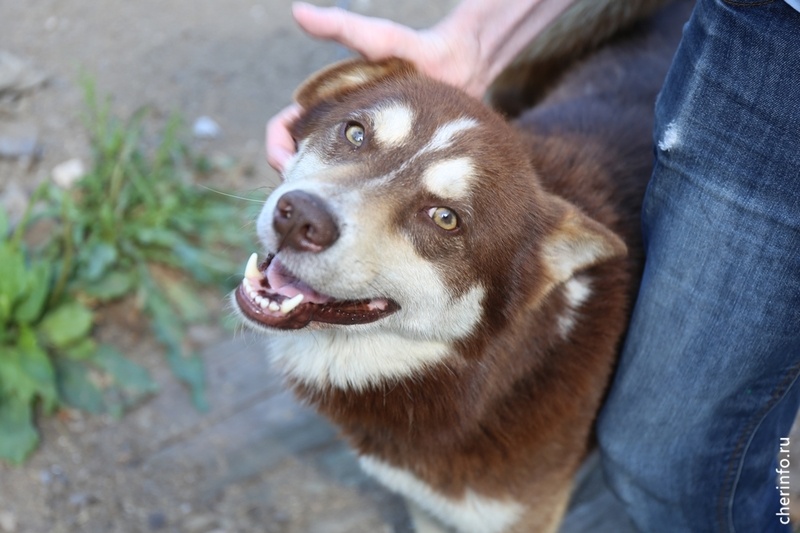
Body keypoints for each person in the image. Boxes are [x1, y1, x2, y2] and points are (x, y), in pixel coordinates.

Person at [266, 1, 800, 531]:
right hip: (755, 24)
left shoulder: (533, 255)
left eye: (444, 217)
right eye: (356, 135)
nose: (319, 205)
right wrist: (478, 38)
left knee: (674, 466)